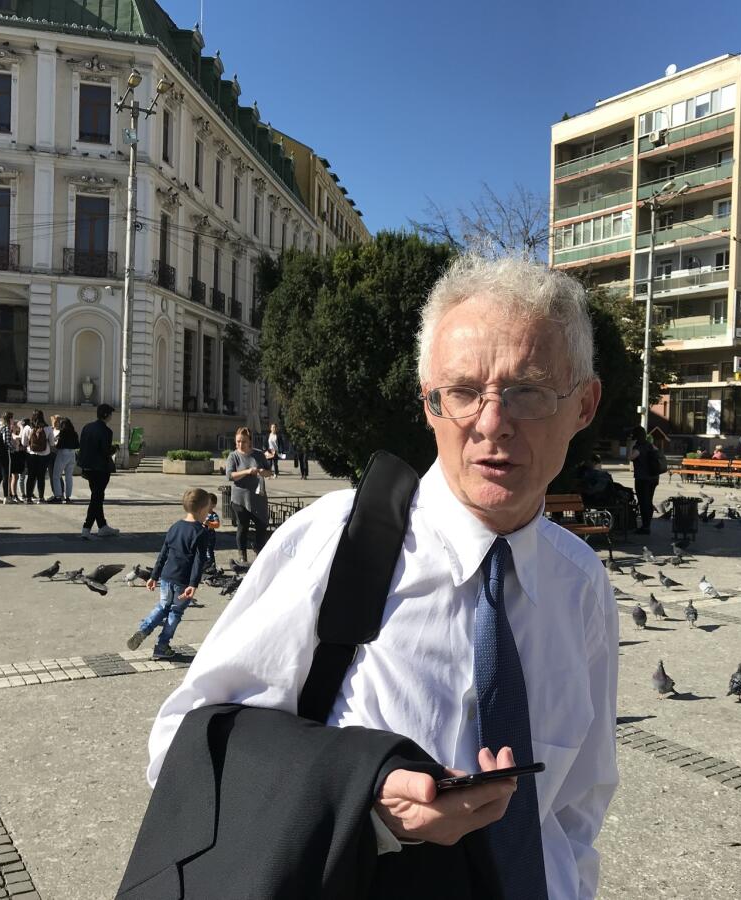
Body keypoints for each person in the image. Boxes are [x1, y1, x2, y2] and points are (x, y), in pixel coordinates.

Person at [145, 254, 618, 896]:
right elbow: (180, 748)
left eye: (527, 391)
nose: (490, 422)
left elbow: (575, 806)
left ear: (584, 404)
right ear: (429, 404)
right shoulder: (337, 541)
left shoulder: (580, 582)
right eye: (461, 392)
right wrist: (365, 794)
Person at [127, 488, 210, 661]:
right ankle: (162, 646)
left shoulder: (175, 527)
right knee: (175, 612)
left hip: (166, 577)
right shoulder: (201, 532)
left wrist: (154, 576)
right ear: (202, 510)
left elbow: (163, 553)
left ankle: (144, 629)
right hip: (183, 580)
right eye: (208, 509)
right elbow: (198, 561)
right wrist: (193, 584)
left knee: (162, 606)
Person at [225, 426, 272, 563]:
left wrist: (264, 472)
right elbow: (230, 475)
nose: (240, 444)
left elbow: (270, 473)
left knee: (262, 526)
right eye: (238, 441)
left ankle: (259, 552)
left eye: (243, 441)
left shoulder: (258, 454)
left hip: (258, 497)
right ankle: (242, 555)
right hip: (240, 498)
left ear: (250, 441)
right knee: (242, 527)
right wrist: (246, 472)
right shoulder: (233, 456)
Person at [78, 403, 119, 539]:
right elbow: (105, 451)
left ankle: (102, 526)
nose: (111, 416)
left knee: (97, 496)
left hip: (87, 468)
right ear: (106, 415)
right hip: (100, 468)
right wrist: (115, 448)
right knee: (96, 498)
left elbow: (82, 446)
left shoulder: (87, 427)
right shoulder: (106, 431)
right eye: (111, 414)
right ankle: (86, 528)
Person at [628, 425, 660, 535]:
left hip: (643, 478)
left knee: (643, 502)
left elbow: (631, 457)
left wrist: (631, 445)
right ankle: (648, 525)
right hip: (654, 478)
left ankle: (645, 527)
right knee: (649, 501)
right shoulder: (650, 445)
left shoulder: (638, 446)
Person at [19, 410, 53, 504]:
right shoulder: (48, 428)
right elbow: (52, 443)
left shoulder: (27, 428)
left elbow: (23, 443)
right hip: (44, 455)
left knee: (31, 476)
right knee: (41, 477)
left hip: (31, 455)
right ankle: (41, 498)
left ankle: (29, 498)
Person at [51, 417, 79, 503]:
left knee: (56, 475)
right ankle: (68, 497)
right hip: (72, 454)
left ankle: (58, 496)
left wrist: (55, 444)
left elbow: (59, 445)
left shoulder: (63, 432)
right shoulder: (74, 433)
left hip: (63, 453)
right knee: (69, 477)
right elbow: (77, 445)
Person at [9, 417, 26, 502]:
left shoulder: (15, 433)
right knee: (14, 476)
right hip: (13, 456)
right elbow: (19, 437)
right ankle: (13, 494)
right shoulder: (12, 434)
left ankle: (12, 494)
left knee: (15, 477)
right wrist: (22, 427)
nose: (18, 427)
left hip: (17, 455)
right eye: (16, 426)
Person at [202, 492, 221, 574]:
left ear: (213, 505)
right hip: (202, 536)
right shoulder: (202, 513)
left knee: (209, 551)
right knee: (202, 551)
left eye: (208, 504)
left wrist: (209, 523)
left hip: (210, 537)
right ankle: (204, 566)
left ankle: (211, 566)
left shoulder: (213, 515)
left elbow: (217, 524)